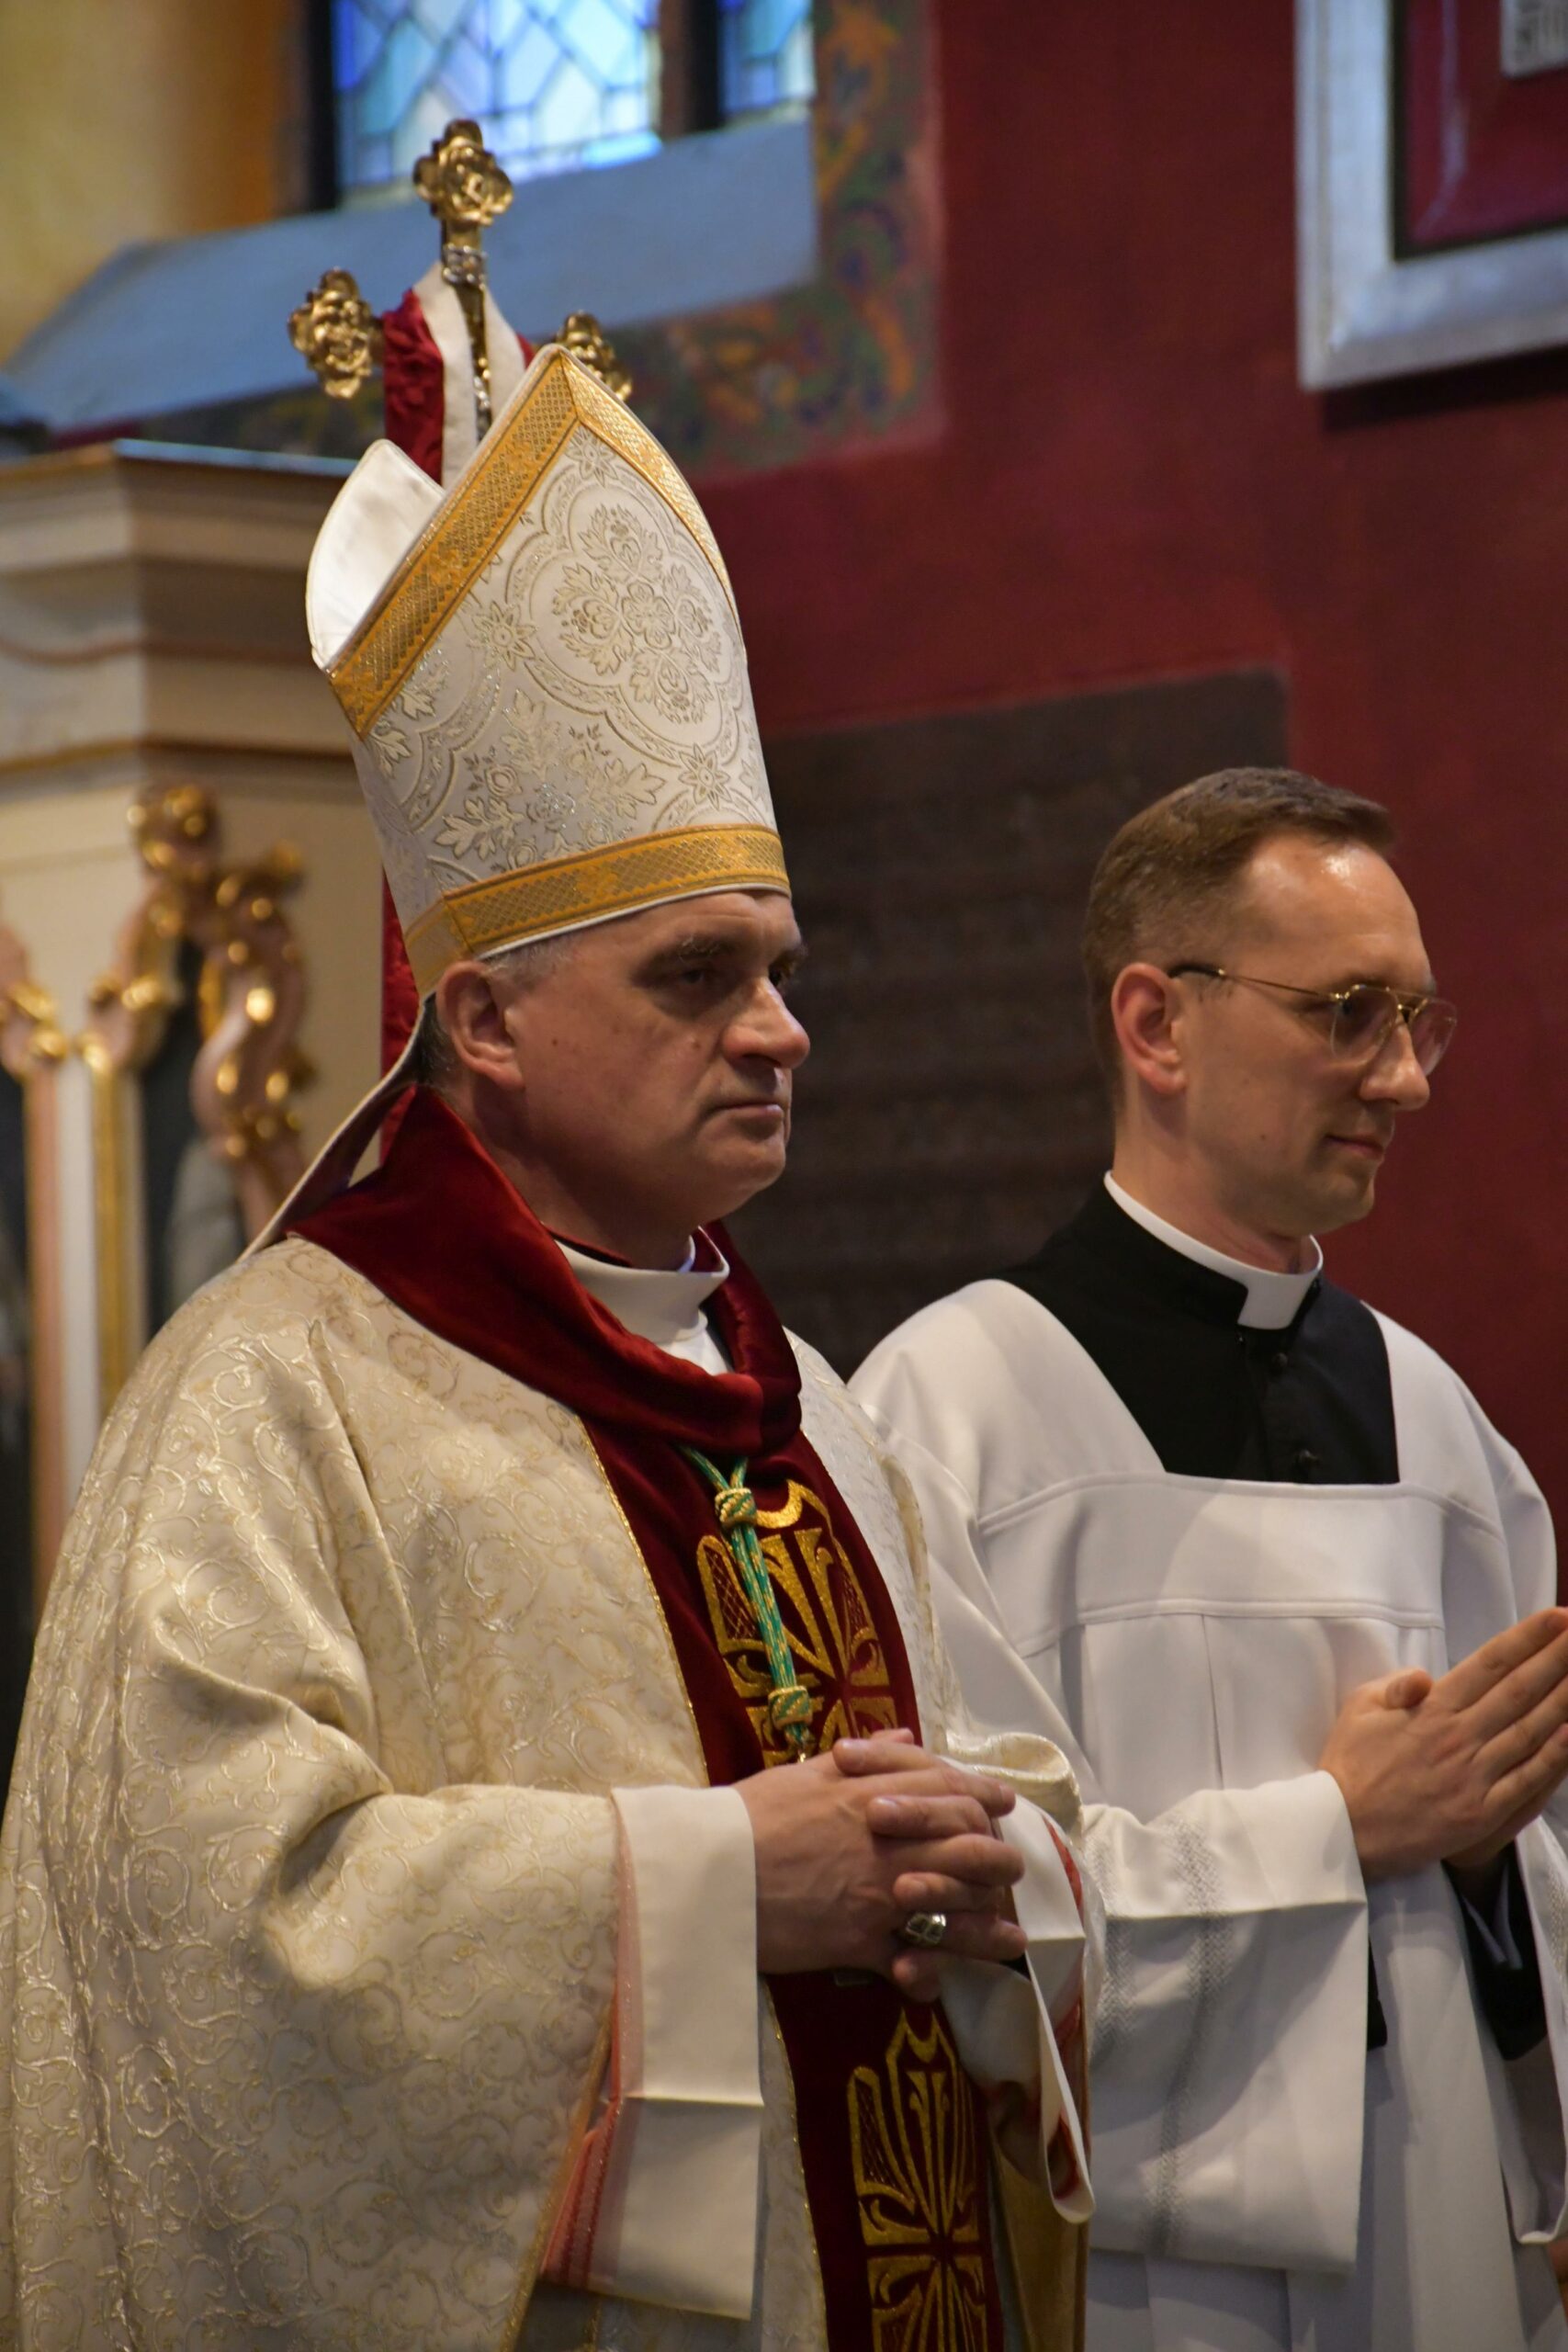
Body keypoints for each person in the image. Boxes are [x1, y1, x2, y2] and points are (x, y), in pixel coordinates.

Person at [0, 341, 1091, 2351]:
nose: (780, 1029)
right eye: (697, 976)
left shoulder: (809, 1406)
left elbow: (1003, 1778)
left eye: (781, 970)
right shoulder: (273, 1396)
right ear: (486, 1020)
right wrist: (712, 1883)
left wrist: (1001, 1859)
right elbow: (205, 1941)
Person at [852, 768, 1568, 2352]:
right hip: (1137, 2281)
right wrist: (1336, 1830)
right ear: (1156, 1024)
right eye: (1349, 1015)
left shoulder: (1441, 1430)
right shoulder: (952, 1414)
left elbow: (1541, 1880)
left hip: (1436, 2232)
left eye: (1419, 1022)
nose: (1406, 1079)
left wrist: (1482, 1859)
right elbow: (951, 1915)